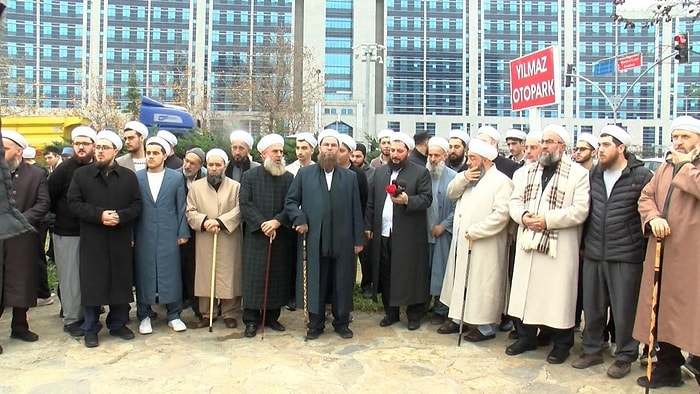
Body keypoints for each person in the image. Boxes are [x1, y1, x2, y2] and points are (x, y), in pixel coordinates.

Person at [571, 125, 652, 379]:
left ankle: (625, 355)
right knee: (592, 306)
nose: (600, 150)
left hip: (626, 254)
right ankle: (593, 349)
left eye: (606, 145)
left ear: (621, 148)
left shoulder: (641, 176)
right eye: (599, 145)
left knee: (624, 309)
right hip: (594, 251)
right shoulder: (594, 174)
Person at [506, 123, 590, 365]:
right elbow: (514, 201)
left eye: (550, 141)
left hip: (558, 246)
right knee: (527, 294)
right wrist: (523, 217)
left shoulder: (578, 175)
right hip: (529, 242)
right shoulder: (525, 172)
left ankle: (562, 345)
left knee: (558, 297)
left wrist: (547, 221)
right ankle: (526, 338)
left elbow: (580, 211)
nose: (544, 146)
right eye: (543, 141)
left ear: (562, 146)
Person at [634, 115, 700, 389]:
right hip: (664, 252)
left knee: (693, 315)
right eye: (675, 137)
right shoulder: (664, 167)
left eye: (685, 137)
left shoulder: (686, 166)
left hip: (693, 256)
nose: (679, 142)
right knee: (662, 312)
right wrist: (653, 218)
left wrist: (685, 168)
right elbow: (646, 196)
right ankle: (668, 368)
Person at [285, 129, 364, 340]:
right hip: (314, 239)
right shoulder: (305, 174)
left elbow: (357, 209)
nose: (330, 149)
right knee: (316, 281)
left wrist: (358, 239)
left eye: (334, 146)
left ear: (339, 150)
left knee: (342, 281)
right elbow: (291, 202)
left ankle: (341, 323)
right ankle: (315, 324)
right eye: (326, 145)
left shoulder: (349, 177)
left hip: (343, 239)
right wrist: (299, 218)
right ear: (320, 148)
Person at [67, 130, 142, 348]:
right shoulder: (82, 176)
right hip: (93, 238)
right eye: (97, 148)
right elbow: (74, 203)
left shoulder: (128, 177)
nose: (99, 152)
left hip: (119, 237)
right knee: (93, 284)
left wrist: (120, 217)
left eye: (104, 148)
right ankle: (91, 328)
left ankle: (118, 323)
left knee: (120, 281)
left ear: (115, 151)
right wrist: (99, 215)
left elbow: (137, 205)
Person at [439, 138, 513, 341]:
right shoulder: (469, 177)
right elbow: (451, 193)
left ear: (486, 161)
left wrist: (476, 230)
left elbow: (501, 215)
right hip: (464, 241)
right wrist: (463, 178)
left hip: (485, 242)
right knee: (460, 279)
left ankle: (485, 326)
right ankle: (457, 318)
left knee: (484, 284)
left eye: (473, 158)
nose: (469, 162)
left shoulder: (501, 182)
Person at [366, 132, 432, 331]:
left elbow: (426, 199)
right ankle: (391, 312)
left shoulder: (420, 172)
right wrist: (368, 226)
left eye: (399, 151)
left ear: (408, 152)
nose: (394, 154)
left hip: (408, 236)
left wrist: (408, 201)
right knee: (385, 273)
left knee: (410, 274)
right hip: (383, 233)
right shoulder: (380, 172)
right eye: (392, 150)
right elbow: (371, 202)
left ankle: (414, 315)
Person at [240, 134, 296, 338]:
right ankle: (251, 320)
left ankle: (272, 317)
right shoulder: (250, 177)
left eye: (281, 151)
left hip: (280, 236)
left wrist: (277, 222)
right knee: (254, 278)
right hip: (257, 236)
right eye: (275, 151)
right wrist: (264, 224)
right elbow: (245, 203)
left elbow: (291, 203)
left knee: (277, 277)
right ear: (263, 153)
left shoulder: (289, 178)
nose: (280, 155)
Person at [133, 137, 190, 335]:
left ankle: (174, 315)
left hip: (169, 233)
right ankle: (145, 315)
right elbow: (133, 208)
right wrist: (131, 235)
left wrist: (182, 232)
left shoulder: (175, 178)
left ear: (165, 155)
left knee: (171, 273)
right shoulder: (137, 177)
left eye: (156, 153)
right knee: (144, 273)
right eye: (148, 153)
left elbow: (182, 207)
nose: (151, 156)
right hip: (143, 233)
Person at [0, 130, 50, 351]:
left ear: (18, 151)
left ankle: (19, 326)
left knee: (22, 281)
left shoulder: (36, 174)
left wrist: (19, 221)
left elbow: (42, 203)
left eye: (5, 149)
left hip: (23, 236)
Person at [48, 126, 97, 337]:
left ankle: (89, 314)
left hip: (93, 231)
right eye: (78, 143)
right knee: (70, 279)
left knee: (89, 276)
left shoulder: (97, 168)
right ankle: (71, 319)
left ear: (94, 146)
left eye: (86, 143)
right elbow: (49, 198)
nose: (81, 147)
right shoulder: (63, 170)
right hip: (67, 232)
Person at [186, 149, 243, 329]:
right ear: (206, 166)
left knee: (229, 272)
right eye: (211, 165)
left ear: (224, 166)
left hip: (228, 235)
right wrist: (205, 222)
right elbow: (190, 211)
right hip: (205, 236)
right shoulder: (196, 187)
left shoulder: (235, 186)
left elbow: (240, 209)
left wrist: (220, 221)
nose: (214, 168)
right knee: (205, 273)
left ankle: (230, 313)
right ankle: (207, 313)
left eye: (218, 165)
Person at [423, 137, 457, 326]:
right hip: (424, 232)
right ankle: (423, 304)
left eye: (437, 155)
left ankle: (440, 308)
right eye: (430, 155)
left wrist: (443, 225)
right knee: (424, 270)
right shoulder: (422, 175)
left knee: (442, 271)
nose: (433, 159)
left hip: (443, 232)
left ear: (445, 155)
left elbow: (458, 208)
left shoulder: (454, 177)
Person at [180, 147, 206, 318]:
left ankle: (198, 306)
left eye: (192, 163)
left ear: (200, 165)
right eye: (186, 161)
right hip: (178, 230)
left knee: (195, 269)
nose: (187, 166)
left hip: (200, 230)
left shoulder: (206, 178)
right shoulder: (174, 176)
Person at [352, 142, 375, 298]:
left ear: (364, 157)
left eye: (358, 156)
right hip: (350, 219)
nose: (354, 159)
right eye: (352, 155)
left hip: (365, 218)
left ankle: (367, 285)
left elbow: (370, 200)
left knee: (366, 257)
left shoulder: (373, 173)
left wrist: (368, 224)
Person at [338, 134, 368, 212]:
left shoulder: (358, 175)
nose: (337, 154)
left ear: (350, 153)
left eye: (341, 151)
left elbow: (363, 202)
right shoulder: (328, 171)